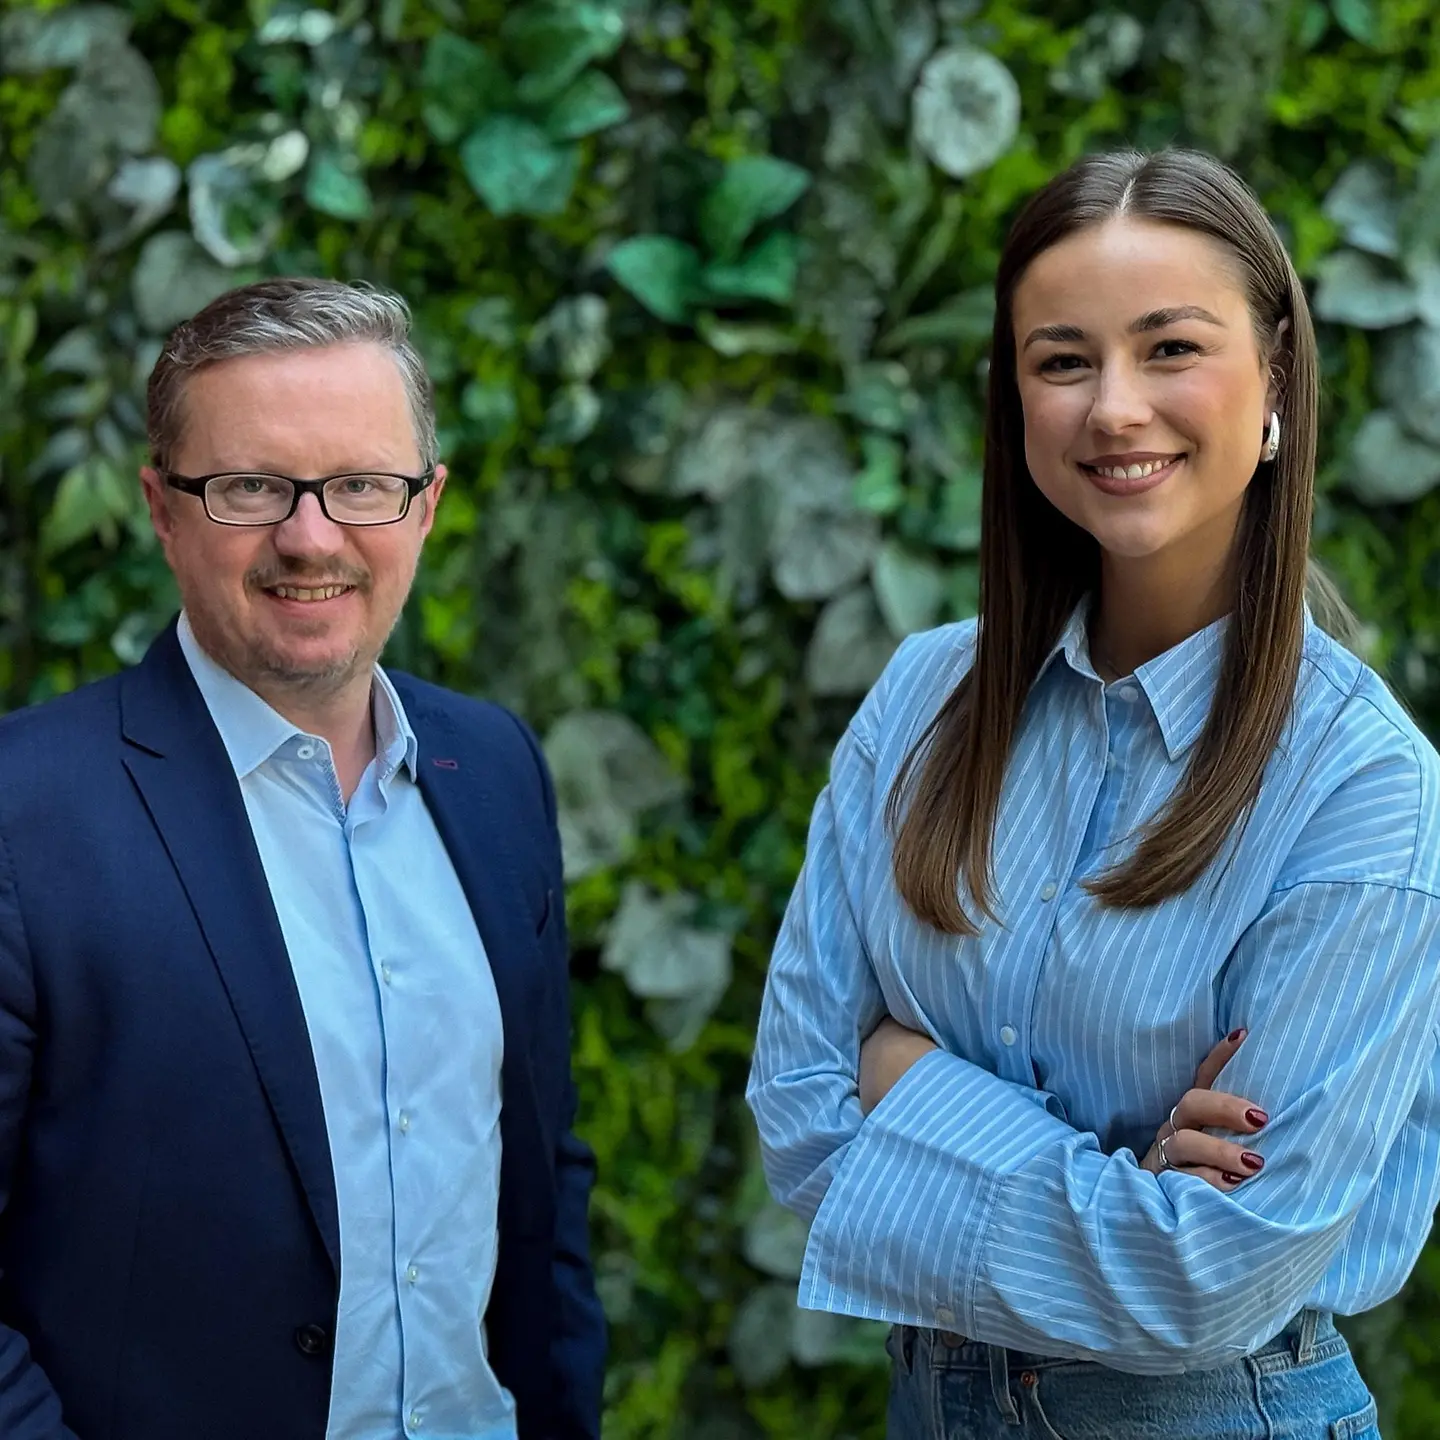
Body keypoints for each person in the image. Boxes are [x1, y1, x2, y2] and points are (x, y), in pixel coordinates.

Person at [747, 147, 1440, 1438]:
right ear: (1013, 403)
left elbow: (1208, 1280)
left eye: (1171, 347)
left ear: (1277, 376)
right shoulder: (922, 700)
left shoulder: (1364, 789)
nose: (1114, 408)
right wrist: (1120, 1184)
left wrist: (911, 1082)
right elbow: (799, 1112)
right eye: (1063, 361)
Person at [0, 278, 605, 1440]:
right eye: (249, 488)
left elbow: (540, 1179)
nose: (310, 536)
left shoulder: (496, 772)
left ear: (426, 505)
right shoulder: (28, 818)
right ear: (161, 510)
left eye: (361, 485)